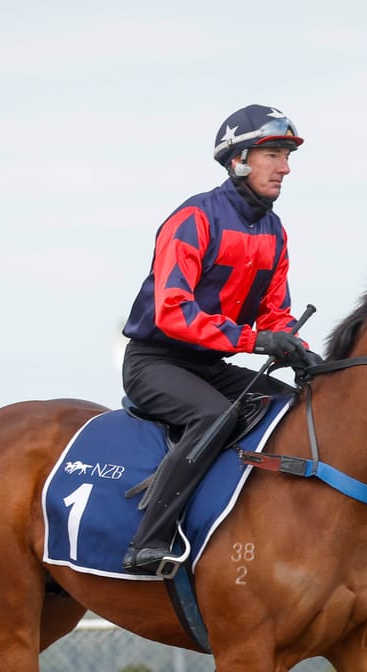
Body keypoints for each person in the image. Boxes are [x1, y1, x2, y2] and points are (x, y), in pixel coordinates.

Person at [119, 105, 315, 575]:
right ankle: (149, 541)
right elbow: (173, 311)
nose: (285, 167)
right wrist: (255, 340)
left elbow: (275, 312)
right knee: (212, 416)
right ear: (239, 159)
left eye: (286, 155)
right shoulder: (195, 218)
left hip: (211, 364)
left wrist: (295, 347)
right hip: (156, 361)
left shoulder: (274, 231)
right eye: (273, 154)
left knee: (295, 405)